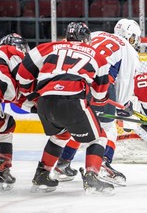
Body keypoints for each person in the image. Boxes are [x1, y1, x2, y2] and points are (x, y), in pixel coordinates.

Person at [16, 22, 114, 194]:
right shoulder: (98, 56)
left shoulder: (49, 47)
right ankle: (92, 176)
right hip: (72, 100)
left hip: (45, 102)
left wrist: (27, 92)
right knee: (99, 137)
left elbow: (22, 73)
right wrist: (95, 99)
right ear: (87, 38)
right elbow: (100, 96)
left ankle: (42, 174)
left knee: (60, 135)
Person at [54, 18, 142, 186]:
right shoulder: (128, 50)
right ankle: (102, 164)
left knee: (82, 125)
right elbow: (124, 80)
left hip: (72, 82)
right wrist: (124, 103)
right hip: (100, 85)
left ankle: (62, 164)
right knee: (108, 128)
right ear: (131, 37)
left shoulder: (96, 34)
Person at [0, 33, 33, 192]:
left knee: (6, 124)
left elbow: (16, 96)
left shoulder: (0, 63)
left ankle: (3, 171)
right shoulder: (10, 51)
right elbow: (26, 80)